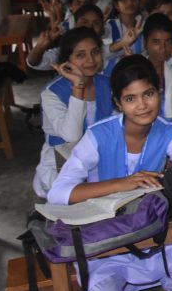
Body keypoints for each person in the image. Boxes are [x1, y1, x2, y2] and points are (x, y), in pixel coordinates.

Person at [47, 54, 172, 291]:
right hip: (107, 242)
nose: (142, 105)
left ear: (158, 93)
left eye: (149, 94)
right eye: (130, 98)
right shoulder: (99, 135)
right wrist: (123, 183)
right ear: (118, 103)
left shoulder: (168, 132)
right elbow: (58, 193)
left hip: (156, 234)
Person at [33, 27, 114, 197]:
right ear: (66, 61)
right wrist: (78, 86)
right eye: (80, 55)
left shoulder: (107, 84)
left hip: (98, 159)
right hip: (62, 163)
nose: (90, 60)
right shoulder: (52, 93)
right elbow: (72, 136)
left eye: (95, 52)